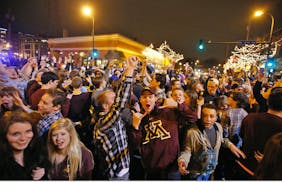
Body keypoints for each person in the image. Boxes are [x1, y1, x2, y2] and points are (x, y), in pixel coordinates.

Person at [129, 87, 196, 180]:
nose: (147, 99)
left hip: (171, 169)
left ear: (155, 98)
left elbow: (193, 117)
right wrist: (135, 127)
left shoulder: (168, 112)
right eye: (144, 97)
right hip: (152, 171)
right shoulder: (139, 119)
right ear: (140, 100)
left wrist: (178, 105)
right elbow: (134, 146)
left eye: (150, 97)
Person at [92, 56, 138, 180]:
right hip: (115, 175)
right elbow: (121, 100)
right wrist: (130, 69)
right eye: (113, 99)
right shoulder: (105, 122)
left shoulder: (110, 119)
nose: (116, 100)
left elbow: (119, 95)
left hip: (120, 171)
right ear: (106, 106)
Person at [178, 103, 246, 180]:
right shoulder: (192, 132)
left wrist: (230, 145)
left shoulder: (218, 127)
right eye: (204, 115)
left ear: (216, 117)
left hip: (210, 171)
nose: (208, 119)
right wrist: (183, 161)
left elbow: (222, 140)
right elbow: (187, 150)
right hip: (196, 174)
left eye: (212, 116)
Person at [238, 87, 282, 179]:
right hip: (265, 173)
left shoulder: (250, 118)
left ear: (268, 102)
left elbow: (242, 135)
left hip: (243, 166)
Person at [0, 111, 49, 180]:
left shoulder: (38, 153)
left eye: (28, 131)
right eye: (16, 134)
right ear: (4, 136)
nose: (23, 138)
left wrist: (44, 172)